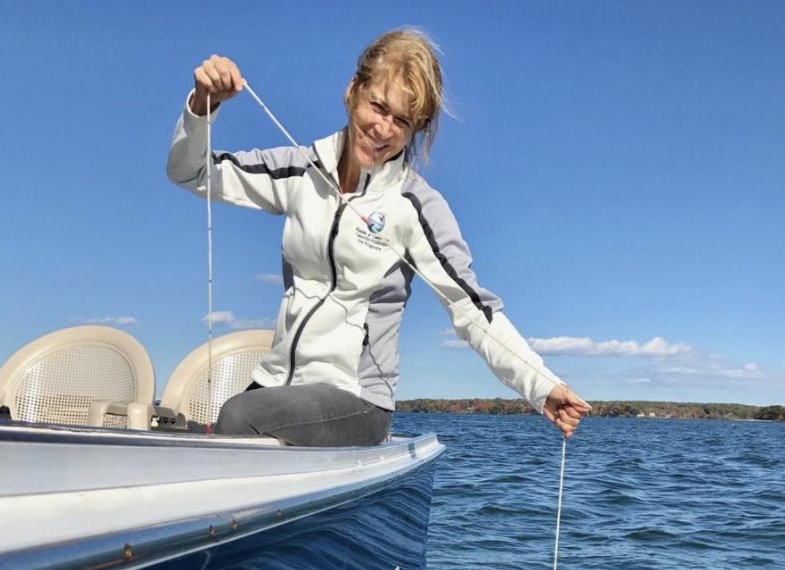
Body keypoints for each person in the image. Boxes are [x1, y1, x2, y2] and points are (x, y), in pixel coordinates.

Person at [167, 29, 590, 446]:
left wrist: (542, 386)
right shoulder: (300, 170)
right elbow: (191, 172)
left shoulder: (415, 205)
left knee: (238, 415)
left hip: (357, 401)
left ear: (415, 129)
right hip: (276, 385)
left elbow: (472, 310)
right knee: (195, 434)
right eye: (378, 106)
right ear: (353, 91)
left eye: (402, 121)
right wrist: (203, 105)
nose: (383, 129)